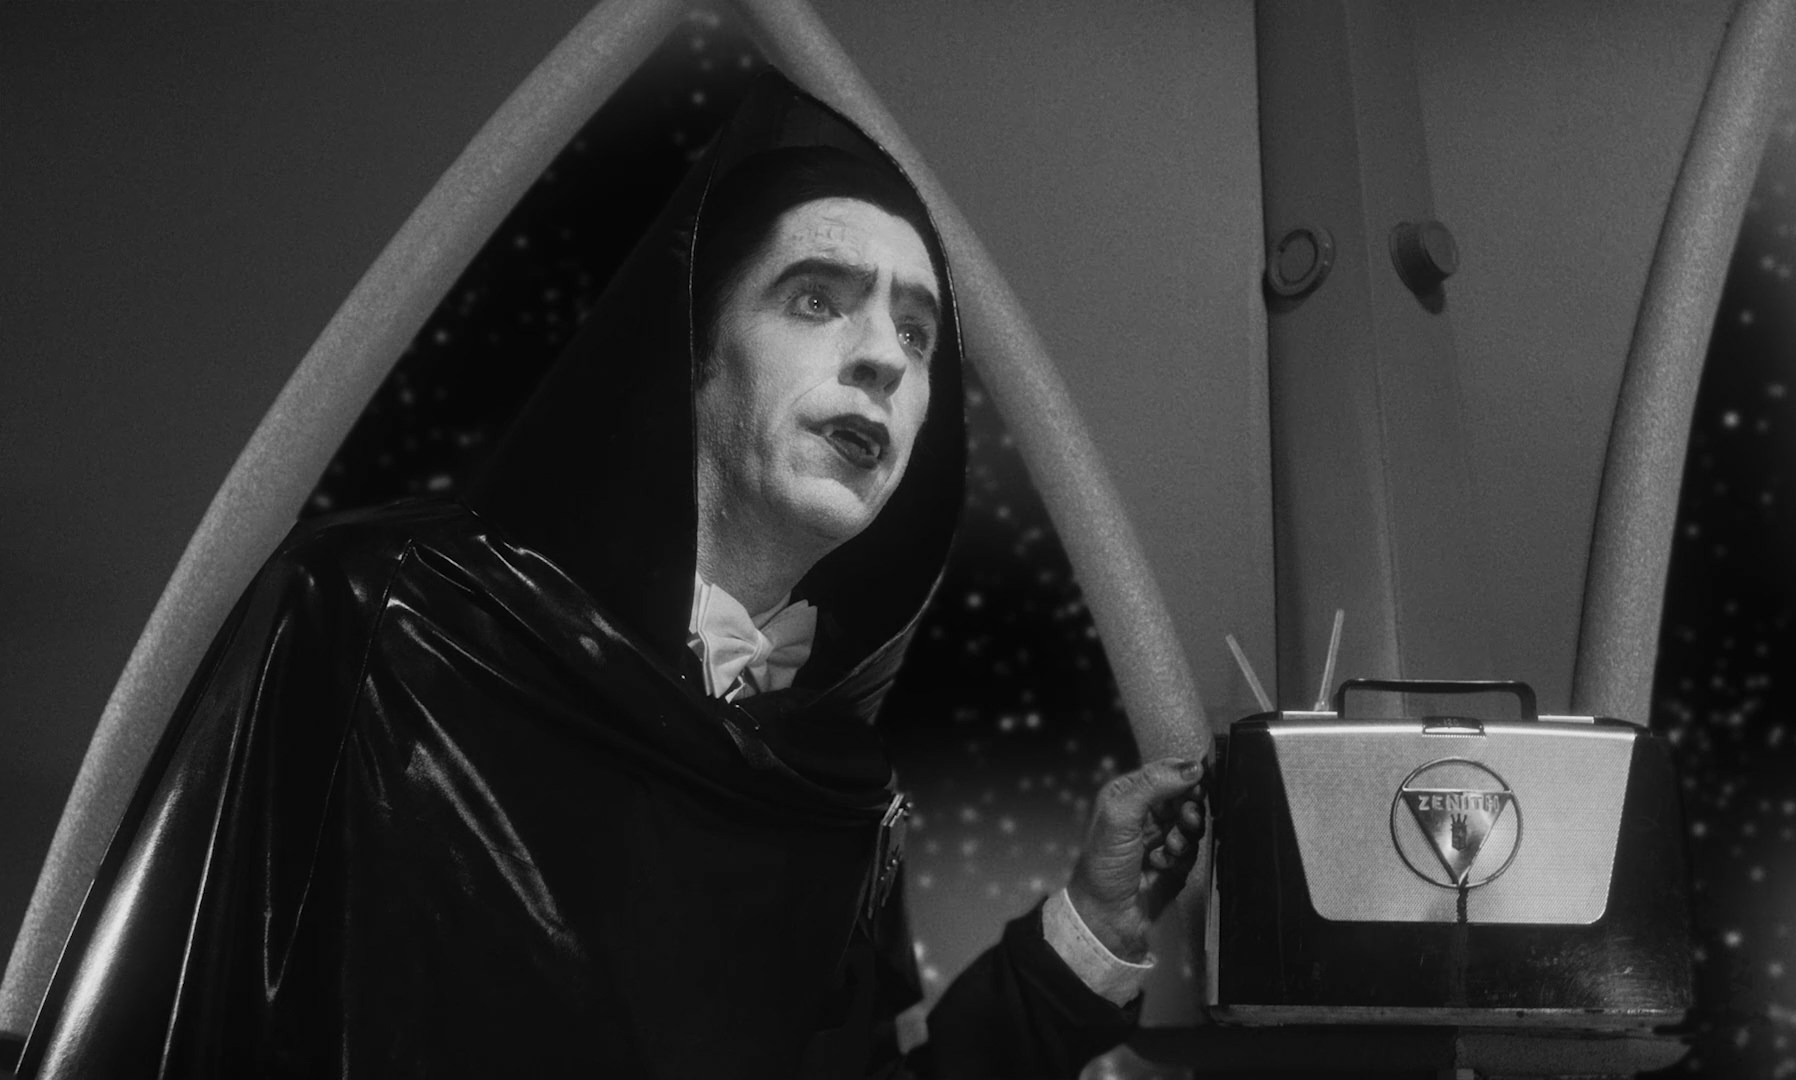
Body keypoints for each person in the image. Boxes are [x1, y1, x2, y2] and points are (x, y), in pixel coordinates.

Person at [19, 72, 1205, 1079]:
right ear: (690, 350)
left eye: (916, 333)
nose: (883, 361)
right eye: (817, 298)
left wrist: (1092, 926)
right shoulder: (382, 611)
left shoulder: (837, 790)